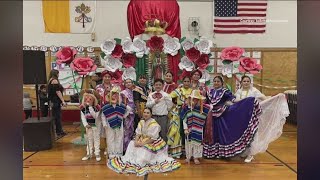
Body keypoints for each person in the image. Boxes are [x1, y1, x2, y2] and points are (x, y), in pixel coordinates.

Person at [107, 108, 181, 177]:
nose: (145, 114)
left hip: (152, 142)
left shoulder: (154, 124)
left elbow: (153, 138)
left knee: (144, 150)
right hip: (143, 139)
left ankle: (141, 161)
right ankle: (134, 160)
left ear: (151, 114)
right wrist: (136, 141)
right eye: (144, 112)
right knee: (131, 144)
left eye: (148, 113)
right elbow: (138, 133)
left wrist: (142, 143)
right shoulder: (141, 121)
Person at [234, 75, 290, 163]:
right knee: (245, 134)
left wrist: (275, 97)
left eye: (248, 81)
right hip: (242, 116)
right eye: (244, 81)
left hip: (253, 117)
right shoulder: (238, 91)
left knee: (253, 134)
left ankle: (251, 154)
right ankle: (245, 152)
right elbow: (236, 102)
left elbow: (264, 98)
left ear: (250, 82)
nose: (246, 83)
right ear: (241, 82)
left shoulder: (254, 91)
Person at [203, 76, 262, 158]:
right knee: (212, 134)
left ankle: (221, 153)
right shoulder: (209, 92)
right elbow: (204, 102)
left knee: (222, 134)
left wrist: (246, 101)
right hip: (210, 117)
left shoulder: (225, 91)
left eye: (218, 81)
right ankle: (212, 153)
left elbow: (233, 100)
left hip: (222, 115)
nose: (216, 83)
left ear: (222, 83)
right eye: (215, 81)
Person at [180, 90, 211, 165]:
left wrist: (201, 104)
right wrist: (185, 128)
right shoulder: (186, 108)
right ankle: (188, 157)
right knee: (188, 143)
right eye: (193, 98)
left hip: (198, 129)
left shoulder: (201, 108)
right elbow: (184, 119)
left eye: (196, 99)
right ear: (190, 98)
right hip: (189, 129)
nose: (194, 100)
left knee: (197, 143)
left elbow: (211, 107)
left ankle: (196, 157)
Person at [101, 86, 131, 159]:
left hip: (119, 124)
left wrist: (123, 116)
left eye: (116, 95)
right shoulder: (106, 106)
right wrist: (104, 124)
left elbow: (129, 109)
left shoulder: (121, 106)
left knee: (119, 138)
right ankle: (111, 153)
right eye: (113, 95)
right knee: (110, 138)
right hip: (109, 124)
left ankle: (118, 153)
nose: (114, 96)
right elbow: (103, 116)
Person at [167, 76, 193, 158]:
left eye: (188, 81)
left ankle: (187, 151)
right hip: (178, 112)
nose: (186, 83)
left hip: (189, 112)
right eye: (185, 81)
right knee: (177, 130)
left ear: (190, 82)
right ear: (182, 82)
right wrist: (174, 104)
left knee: (188, 130)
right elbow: (168, 97)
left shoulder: (193, 91)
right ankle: (176, 151)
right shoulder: (178, 90)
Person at [80, 90, 102, 162]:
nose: (88, 100)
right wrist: (85, 124)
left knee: (96, 138)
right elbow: (83, 117)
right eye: (86, 99)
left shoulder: (97, 107)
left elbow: (95, 116)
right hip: (88, 126)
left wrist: (90, 107)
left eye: (90, 99)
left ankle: (97, 153)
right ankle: (89, 153)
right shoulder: (82, 107)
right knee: (89, 139)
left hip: (96, 125)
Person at [47, 69, 67, 136]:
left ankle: (57, 131)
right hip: (55, 101)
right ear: (56, 74)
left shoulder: (50, 80)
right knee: (57, 117)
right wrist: (63, 101)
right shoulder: (54, 80)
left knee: (56, 116)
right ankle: (59, 132)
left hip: (53, 101)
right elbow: (57, 91)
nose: (59, 75)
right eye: (58, 73)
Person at [121, 78, 136, 152]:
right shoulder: (123, 92)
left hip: (133, 113)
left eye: (130, 82)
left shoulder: (134, 91)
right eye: (127, 83)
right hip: (127, 114)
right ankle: (125, 148)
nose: (128, 84)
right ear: (124, 84)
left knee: (131, 130)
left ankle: (130, 148)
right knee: (126, 130)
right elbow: (122, 104)